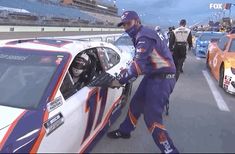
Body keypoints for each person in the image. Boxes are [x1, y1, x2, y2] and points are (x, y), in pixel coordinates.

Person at [108, 10, 179, 153]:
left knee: (151, 118)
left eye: (129, 23)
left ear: (137, 21)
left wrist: (119, 80)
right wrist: (127, 74)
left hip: (163, 79)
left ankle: (170, 151)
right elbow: (142, 63)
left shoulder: (143, 36)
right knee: (136, 103)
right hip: (154, 75)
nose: (126, 27)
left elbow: (138, 66)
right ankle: (125, 131)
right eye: (124, 25)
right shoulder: (142, 34)